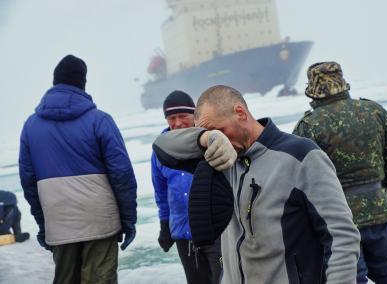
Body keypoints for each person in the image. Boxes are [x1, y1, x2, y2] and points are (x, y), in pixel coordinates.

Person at [152, 85, 361, 284]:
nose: (220, 141)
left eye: (221, 130)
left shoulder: (301, 157)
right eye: (212, 135)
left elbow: (341, 236)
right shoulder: (222, 158)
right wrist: (206, 138)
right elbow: (163, 147)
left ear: (240, 113)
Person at [18, 54, 137, 284]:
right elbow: (122, 174)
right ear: (83, 82)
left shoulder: (31, 126)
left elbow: (28, 182)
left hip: (59, 220)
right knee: (100, 279)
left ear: (55, 82)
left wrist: (43, 224)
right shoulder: (100, 120)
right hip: (100, 220)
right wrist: (128, 219)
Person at [293, 62, 387, 284]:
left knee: (350, 278)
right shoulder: (374, 111)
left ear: (312, 90)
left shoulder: (308, 126)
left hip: (336, 219)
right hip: (377, 210)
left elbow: (300, 178)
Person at [152, 90, 222, 284]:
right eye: (171, 118)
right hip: (184, 233)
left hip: (216, 232)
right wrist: (164, 225)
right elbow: (161, 192)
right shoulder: (160, 150)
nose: (177, 123)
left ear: (195, 116)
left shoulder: (209, 141)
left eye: (182, 116)